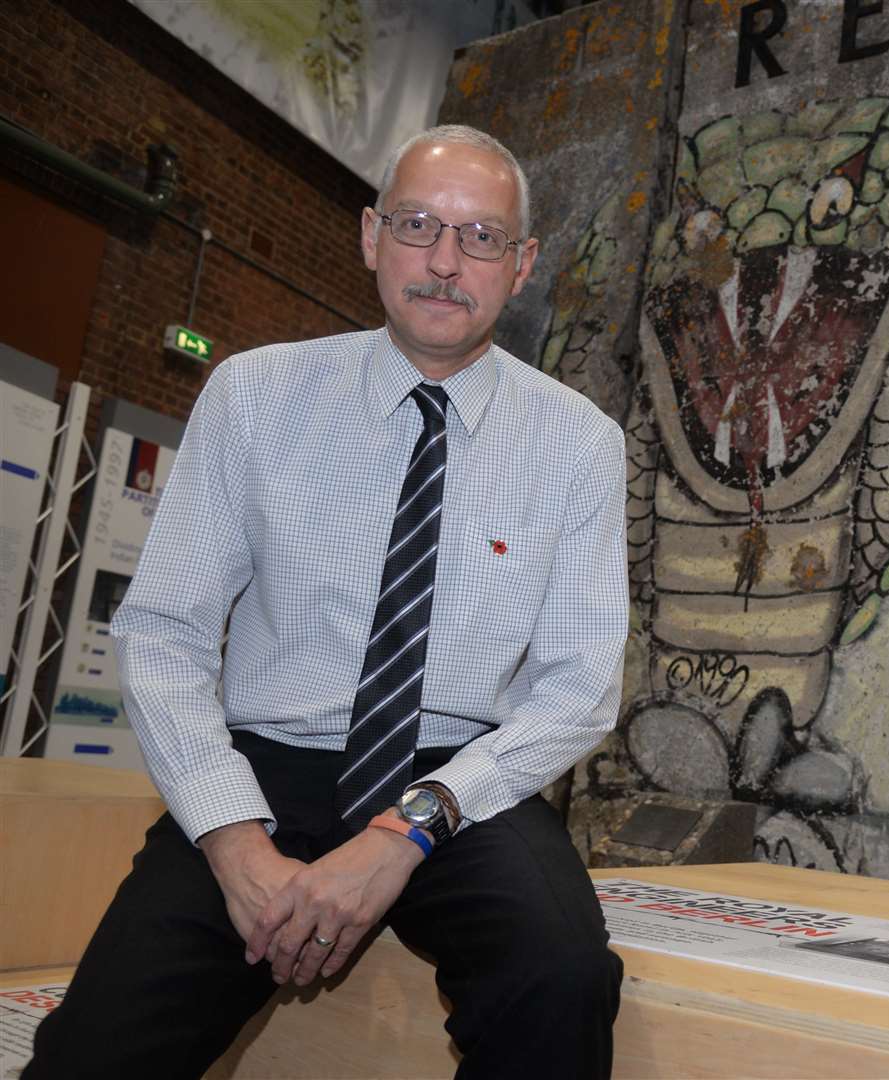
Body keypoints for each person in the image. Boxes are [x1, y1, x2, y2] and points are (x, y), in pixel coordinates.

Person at [25, 124, 629, 1079]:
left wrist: (406, 832)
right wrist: (232, 843)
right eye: (418, 224)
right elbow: (165, 633)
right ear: (368, 235)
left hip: (459, 782)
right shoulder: (254, 395)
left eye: (480, 238)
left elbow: (575, 690)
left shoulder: (579, 445)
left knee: (561, 980)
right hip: (266, 767)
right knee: (92, 1055)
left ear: (522, 267)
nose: (442, 261)